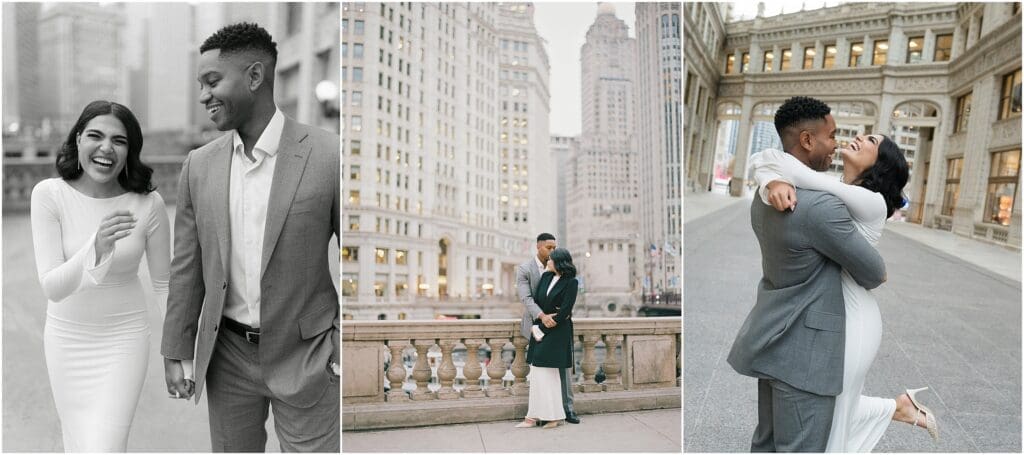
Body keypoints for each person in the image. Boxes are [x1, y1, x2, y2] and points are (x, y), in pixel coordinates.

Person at [160, 23, 340, 452]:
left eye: (212, 81)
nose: (203, 95)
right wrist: (175, 350)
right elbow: (186, 267)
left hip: (309, 355)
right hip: (228, 359)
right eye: (200, 84)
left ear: (255, 76)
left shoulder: (329, 154)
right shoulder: (198, 166)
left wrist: (341, 342)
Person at [751, 131, 937, 451]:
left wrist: (773, 178)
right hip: (828, 310)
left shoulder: (872, 202)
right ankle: (899, 407)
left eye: (871, 141)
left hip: (854, 318)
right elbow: (765, 160)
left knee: (832, 407)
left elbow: (789, 169)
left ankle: (898, 408)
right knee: (831, 405)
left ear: (881, 164)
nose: (860, 139)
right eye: (864, 135)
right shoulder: (840, 188)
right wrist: (771, 179)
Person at [727, 96, 889, 451]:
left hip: (771, 338)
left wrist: (769, 178)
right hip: (807, 354)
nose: (836, 145)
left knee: (766, 445)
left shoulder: (764, 198)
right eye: (831, 136)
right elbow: (875, 273)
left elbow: (767, 163)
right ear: (806, 140)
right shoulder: (820, 208)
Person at [30, 100, 190, 451]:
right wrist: (97, 247)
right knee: (78, 445)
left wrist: (177, 354)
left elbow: (165, 286)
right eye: (95, 136)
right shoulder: (49, 195)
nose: (106, 148)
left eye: (119, 140)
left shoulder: (147, 204)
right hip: (66, 341)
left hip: (124, 342)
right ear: (77, 140)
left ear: (130, 150)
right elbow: (53, 286)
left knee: (105, 447)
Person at [516, 233, 580, 424]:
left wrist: (558, 316)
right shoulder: (526, 269)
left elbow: (566, 303)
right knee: (541, 374)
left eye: (554, 248)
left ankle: (566, 409)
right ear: (538, 247)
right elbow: (527, 298)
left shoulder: (566, 277)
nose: (551, 251)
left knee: (562, 370)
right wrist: (543, 318)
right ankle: (543, 412)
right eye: (549, 248)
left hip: (558, 326)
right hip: (537, 325)